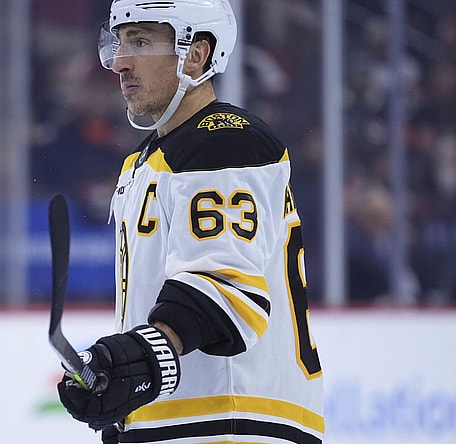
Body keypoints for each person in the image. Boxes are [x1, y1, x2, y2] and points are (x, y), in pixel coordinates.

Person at [56, 1, 324, 443]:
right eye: (119, 42)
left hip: (234, 418)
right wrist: (116, 379)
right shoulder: (147, 161)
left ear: (195, 55)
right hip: (190, 422)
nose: (120, 61)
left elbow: (227, 287)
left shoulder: (224, 141)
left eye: (141, 42)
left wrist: (139, 356)